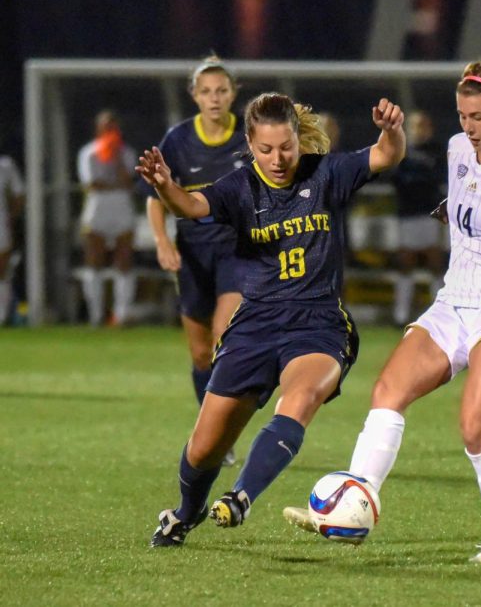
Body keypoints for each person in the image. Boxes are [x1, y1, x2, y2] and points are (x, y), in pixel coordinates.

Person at [284, 61, 481, 564]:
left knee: (475, 425)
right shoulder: (457, 150)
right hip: (455, 300)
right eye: (462, 115)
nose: (468, 126)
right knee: (388, 390)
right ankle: (352, 502)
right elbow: (466, 200)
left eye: (477, 116)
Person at [139, 92, 406, 547]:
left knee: (300, 398)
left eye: (286, 147)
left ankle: (241, 496)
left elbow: (386, 154)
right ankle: (185, 513)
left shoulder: (326, 174)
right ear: (250, 142)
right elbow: (191, 206)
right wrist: (165, 185)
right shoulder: (239, 187)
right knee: (204, 447)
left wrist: (392, 130)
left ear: (299, 141)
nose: (278, 159)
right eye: (265, 149)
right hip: (256, 324)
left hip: (319, 321)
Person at [146, 57, 247, 463]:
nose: (214, 98)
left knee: (225, 333)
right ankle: (213, 431)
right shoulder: (177, 140)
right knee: (200, 353)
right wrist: (162, 242)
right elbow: (157, 200)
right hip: (192, 252)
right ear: (194, 96)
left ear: (233, 93)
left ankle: (224, 429)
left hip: (237, 248)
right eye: (206, 91)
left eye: (221, 90)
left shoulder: (249, 135)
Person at [77, 110, 138, 327]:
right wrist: (115, 184)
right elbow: (92, 183)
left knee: (124, 261)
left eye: (113, 127)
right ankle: (95, 314)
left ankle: (122, 314)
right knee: (94, 261)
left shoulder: (126, 153)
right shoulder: (88, 153)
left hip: (121, 206)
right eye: (106, 127)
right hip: (98, 207)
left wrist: (117, 159)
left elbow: (129, 181)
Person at [389, 109, 446, 325]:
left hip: (430, 213)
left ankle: (439, 314)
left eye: (423, 126)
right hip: (407, 214)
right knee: (406, 262)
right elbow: (396, 179)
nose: (419, 131)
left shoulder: (437, 151)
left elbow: (437, 179)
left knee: (435, 262)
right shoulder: (402, 150)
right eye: (415, 126)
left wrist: (419, 180)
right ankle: (401, 314)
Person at [0, 154, 24, 325]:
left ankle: (1, 315)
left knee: (2, 270)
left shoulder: (6, 165)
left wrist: (11, 217)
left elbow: (18, 194)